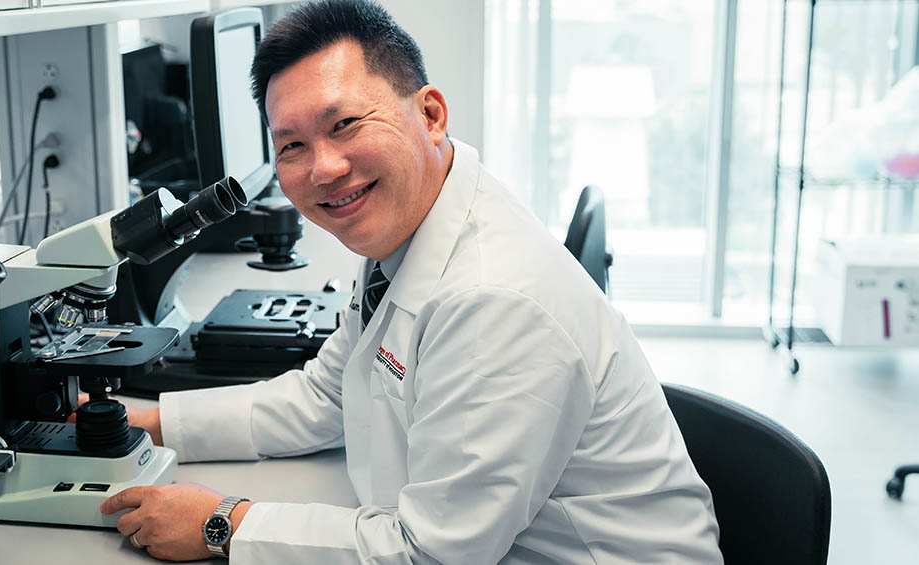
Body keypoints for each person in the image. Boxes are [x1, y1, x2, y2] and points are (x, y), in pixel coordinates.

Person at [100, 1, 723, 563]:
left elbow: (432, 554)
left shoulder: (494, 298)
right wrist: (145, 421)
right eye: (291, 145)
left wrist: (221, 524)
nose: (324, 168)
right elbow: (327, 397)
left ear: (429, 113)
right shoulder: (409, 222)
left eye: (344, 124)